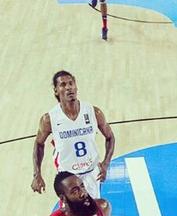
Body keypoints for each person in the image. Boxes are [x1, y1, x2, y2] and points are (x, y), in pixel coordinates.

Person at [32, 71, 115, 199]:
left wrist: (106, 163)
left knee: (94, 209)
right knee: (71, 210)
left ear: (76, 87)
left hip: (91, 172)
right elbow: (38, 144)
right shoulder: (49, 119)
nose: (68, 87)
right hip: (67, 177)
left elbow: (110, 137)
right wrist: (37, 174)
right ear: (56, 90)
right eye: (63, 85)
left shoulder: (93, 112)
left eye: (71, 83)